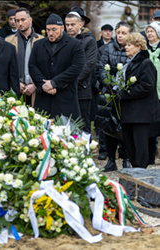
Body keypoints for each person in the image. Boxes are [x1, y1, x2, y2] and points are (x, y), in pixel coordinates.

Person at [28, 13, 85, 121]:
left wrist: (54, 83)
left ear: (62, 28)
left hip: (65, 99)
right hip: (43, 98)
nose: (50, 33)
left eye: (54, 30)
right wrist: (43, 85)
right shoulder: (38, 45)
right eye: (48, 30)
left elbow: (76, 67)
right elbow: (32, 66)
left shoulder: (75, 44)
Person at [117, 32, 160, 168]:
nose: (126, 47)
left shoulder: (145, 63)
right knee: (129, 144)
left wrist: (126, 92)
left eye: (129, 45)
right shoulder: (128, 63)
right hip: (129, 111)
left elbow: (148, 85)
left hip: (141, 112)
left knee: (140, 144)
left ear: (139, 47)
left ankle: (140, 171)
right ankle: (134, 169)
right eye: (126, 45)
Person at [96, 21, 133, 171]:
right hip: (109, 93)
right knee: (109, 127)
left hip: (125, 94)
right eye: (119, 33)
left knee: (124, 128)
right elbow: (101, 67)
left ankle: (126, 159)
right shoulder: (108, 48)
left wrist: (124, 87)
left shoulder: (132, 49)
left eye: (124, 33)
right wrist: (109, 84)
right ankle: (111, 160)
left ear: (130, 35)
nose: (120, 36)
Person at [65, 7, 97, 135]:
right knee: (66, 124)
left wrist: (69, 82)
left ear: (81, 24)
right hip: (64, 90)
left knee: (83, 125)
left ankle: (85, 153)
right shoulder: (63, 40)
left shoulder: (89, 40)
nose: (70, 27)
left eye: (73, 24)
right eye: (67, 25)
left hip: (82, 89)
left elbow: (88, 65)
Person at [5, 7, 44, 107]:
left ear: (30, 20)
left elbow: (46, 67)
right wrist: (15, 83)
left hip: (37, 90)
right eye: (17, 21)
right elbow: (5, 67)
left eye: (23, 20)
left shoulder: (42, 40)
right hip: (16, 90)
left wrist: (35, 85)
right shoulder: (8, 41)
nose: (20, 23)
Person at [145, 21, 160, 164]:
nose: (149, 34)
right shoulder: (144, 50)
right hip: (149, 93)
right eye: (148, 31)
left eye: (152, 31)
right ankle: (150, 157)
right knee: (150, 126)